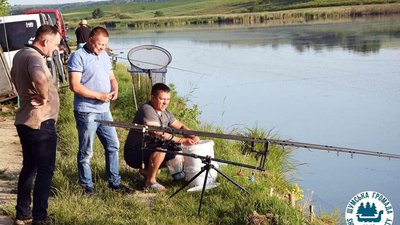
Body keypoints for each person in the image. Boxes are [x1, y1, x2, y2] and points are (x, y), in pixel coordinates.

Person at [68, 26, 132, 194]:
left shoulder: (104, 56)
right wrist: (98, 95)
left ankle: (114, 182)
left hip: (105, 110)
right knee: (86, 151)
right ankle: (87, 186)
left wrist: (115, 88)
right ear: (90, 40)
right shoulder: (78, 56)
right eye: (100, 44)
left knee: (113, 145)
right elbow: (74, 86)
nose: (102, 47)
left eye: (105, 44)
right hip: (86, 111)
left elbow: (111, 77)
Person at [10, 25, 61, 225]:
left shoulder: (20, 54)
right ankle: (40, 218)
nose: (56, 49)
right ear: (45, 41)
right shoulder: (34, 57)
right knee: (45, 169)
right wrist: (45, 96)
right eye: (55, 44)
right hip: (40, 123)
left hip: (25, 120)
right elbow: (39, 77)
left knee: (29, 166)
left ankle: (23, 214)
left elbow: (16, 79)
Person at [124, 83, 200, 191]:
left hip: (148, 149)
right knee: (162, 146)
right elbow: (156, 132)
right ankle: (150, 181)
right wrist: (182, 140)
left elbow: (181, 126)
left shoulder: (165, 112)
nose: (165, 102)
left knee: (178, 150)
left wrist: (192, 136)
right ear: (153, 97)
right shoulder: (147, 109)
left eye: (168, 99)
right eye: (162, 99)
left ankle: (151, 171)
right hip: (135, 152)